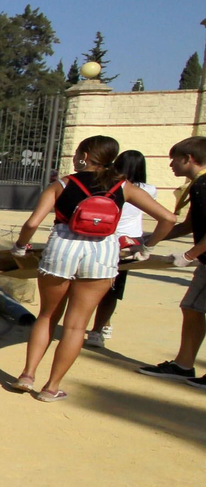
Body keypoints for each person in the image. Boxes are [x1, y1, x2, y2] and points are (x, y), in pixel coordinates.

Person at [8, 135, 176, 401]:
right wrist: (147, 247)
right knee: (76, 326)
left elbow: (32, 223)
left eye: (77, 152)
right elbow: (168, 218)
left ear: (85, 155)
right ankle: (51, 388)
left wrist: (20, 246)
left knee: (47, 316)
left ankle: (27, 375)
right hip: (102, 252)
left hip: (62, 247)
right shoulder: (124, 186)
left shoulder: (62, 184)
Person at [139, 136, 206, 385]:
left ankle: (183, 364)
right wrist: (152, 238)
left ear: (188, 159)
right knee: (191, 308)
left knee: (193, 308)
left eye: (174, 160)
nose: (171, 165)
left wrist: (188, 255)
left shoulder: (203, 185)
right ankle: (184, 364)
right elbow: (190, 225)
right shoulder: (197, 185)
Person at [86, 149, 156, 347]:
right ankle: (99, 329)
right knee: (113, 288)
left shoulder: (108, 184)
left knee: (93, 283)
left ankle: (97, 326)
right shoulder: (149, 190)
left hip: (105, 238)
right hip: (129, 243)